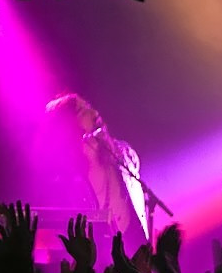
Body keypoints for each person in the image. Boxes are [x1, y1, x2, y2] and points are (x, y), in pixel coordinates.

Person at [43, 93, 148, 249]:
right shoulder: (66, 182)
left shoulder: (123, 155)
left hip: (136, 252)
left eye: (89, 106)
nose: (94, 113)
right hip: (99, 258)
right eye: (82, 111)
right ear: (68, 127)